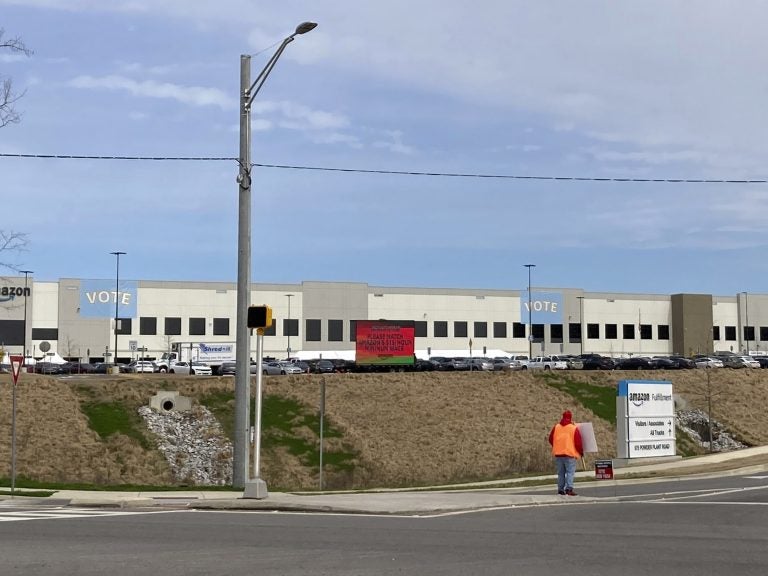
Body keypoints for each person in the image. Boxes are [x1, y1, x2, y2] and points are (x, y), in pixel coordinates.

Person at [548, 410, 583, 496]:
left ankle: (560, 490)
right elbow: (578, 443)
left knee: (561, 473)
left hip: (558, 454)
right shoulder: (573, 428)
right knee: (570, 472)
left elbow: (550, 439)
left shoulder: (556, 427)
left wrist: (556, 445)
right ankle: (569, 489)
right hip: (569, 454)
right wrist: (581, 452)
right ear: (570, 418)